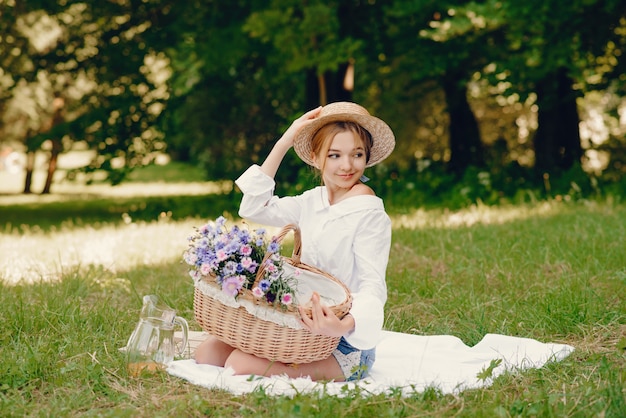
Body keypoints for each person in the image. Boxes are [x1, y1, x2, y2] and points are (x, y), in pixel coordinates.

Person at [194, 101, 395, 382]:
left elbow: (373, 288)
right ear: (315, 157)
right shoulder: (312, 201)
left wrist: (341, 326)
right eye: (334, 155)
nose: (347, 165)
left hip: (345, 344)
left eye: (357, 154)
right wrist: (285, 141)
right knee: (208, 354)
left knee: (238, 363)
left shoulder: (368, 212)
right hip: (297, 331)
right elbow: (253, 208)